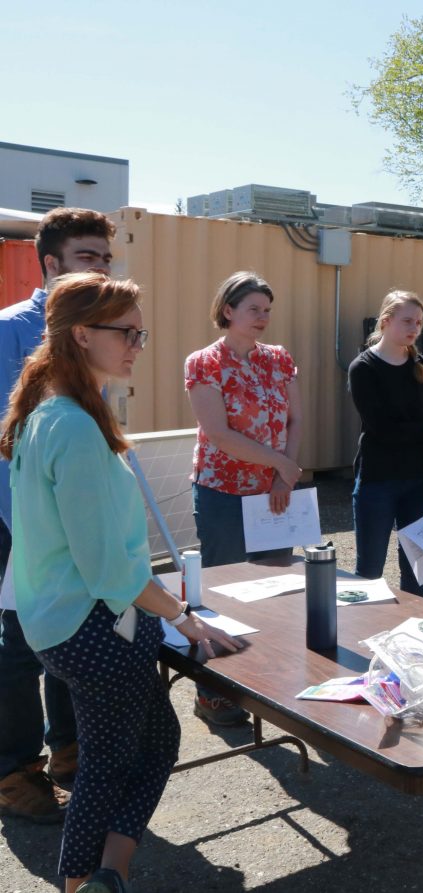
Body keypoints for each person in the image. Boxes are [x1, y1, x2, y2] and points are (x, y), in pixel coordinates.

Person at [2, 272, 243, 893]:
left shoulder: (52, 411)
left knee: (157, 739)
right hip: (94, 623)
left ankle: (112, 871)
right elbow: (107, 567)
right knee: (107, 765)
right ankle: (81, 883)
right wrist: (183, 615)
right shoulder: (74, 426)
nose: (139, 343)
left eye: (142, 331)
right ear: (82, 335)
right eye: (127, 332)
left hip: (64, 618)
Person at [0, 208, 113, 823]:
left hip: (67, 519)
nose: (100, 268)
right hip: (18, 521)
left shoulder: (90, 333)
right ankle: (14, 773)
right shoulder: (9, 333)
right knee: (18, 645)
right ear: (51, 265)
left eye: (106, 259)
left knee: (74, 626)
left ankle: (68, 750)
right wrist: (31, 530)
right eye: (87, 257)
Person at [185, 272, 302, 726]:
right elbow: (218, 433)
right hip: (222, 493)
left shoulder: (279, 359)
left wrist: (283, 476)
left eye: (267, 310)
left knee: (275, 593)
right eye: (254, 309)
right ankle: (214, 692)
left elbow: (295, 420)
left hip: (273, 494)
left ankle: (263, 684)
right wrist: (282, 464)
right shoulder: (204, 362)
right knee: (225, 593)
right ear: (228, 310)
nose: (263, 318)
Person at [348, 290, 423, 596]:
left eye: (419, 322)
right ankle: (361, 636)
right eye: (407, 321)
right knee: (369, 571)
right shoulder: (363, 368)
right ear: (386, 321)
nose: (414, 328)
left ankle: (416, 634)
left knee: (417, 572)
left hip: (418, 484)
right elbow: (382, 430)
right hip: (376, 482)